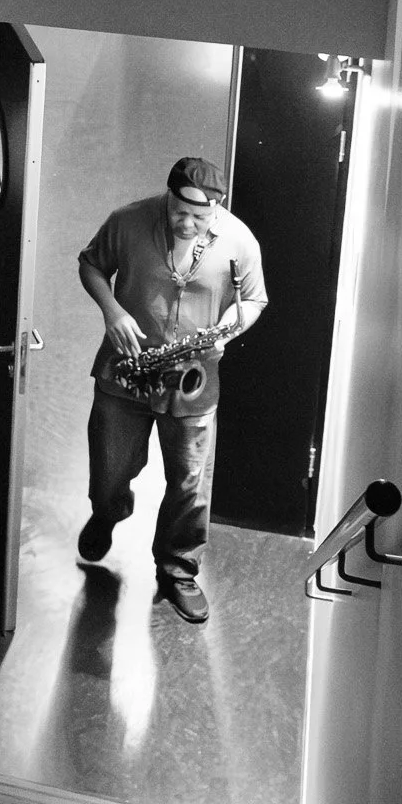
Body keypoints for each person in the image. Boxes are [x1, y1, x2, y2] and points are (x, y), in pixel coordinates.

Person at [75, 154, 267, 625]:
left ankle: (178, 569)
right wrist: (112, 311)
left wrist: (225, 330)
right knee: (108, 469)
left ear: (217, 210)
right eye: (180, 212)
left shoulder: (238, 239)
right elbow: (91, 265)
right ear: (168, 196)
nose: (188, 223)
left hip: (192, 379)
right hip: (126, 371)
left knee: (190, 482)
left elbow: (255, 300)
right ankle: (109, 508)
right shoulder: (127, 221)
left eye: (201, 217)